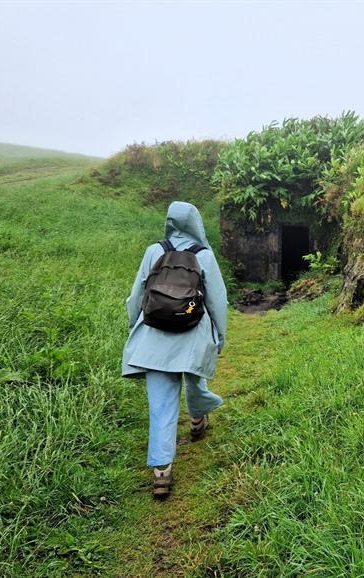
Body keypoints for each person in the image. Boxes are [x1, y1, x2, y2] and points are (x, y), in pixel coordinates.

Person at [122, 201, 227, 499]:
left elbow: (137, 294)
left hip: (153, 335)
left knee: (161, 405)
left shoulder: (154, 251)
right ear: (196, 223)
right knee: (195, 380)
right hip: (192, 333)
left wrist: (135, 326)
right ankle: (197, 420)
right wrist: (220, 335)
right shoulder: (204, 255)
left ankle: (162, 473)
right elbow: (218, 300)